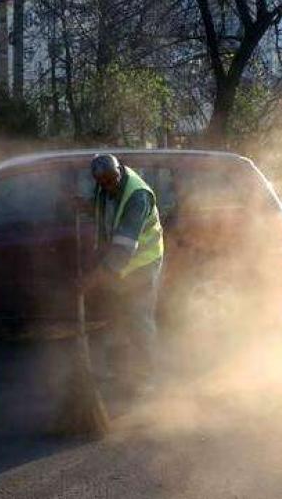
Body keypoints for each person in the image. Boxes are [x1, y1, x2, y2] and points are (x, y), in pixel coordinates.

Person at [80, 154, 164, 395]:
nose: (109, 185)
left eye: (112, 180)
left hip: (142, 264)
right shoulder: (104, 188)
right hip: (120, 264)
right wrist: (85, 206)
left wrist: (93, 279)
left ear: (120, 172)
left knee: (138, 320)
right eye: (103, 183)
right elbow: (105, 213)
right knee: (116, 316)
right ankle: (119, 372)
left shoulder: (137, 196)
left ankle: (145, 378)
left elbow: (122, 251)